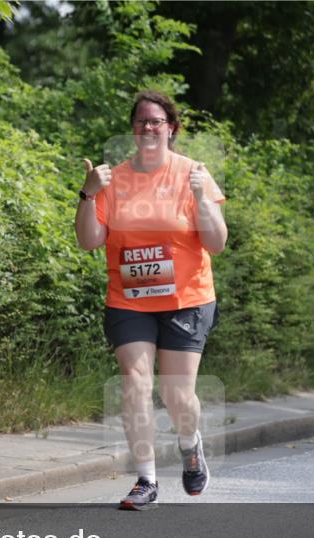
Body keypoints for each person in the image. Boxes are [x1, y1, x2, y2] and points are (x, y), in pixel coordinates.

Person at [74, 90, 227, 509]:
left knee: (178, 396)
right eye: (141, 121)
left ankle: (189, 442)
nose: (148, 128)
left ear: (171, 128)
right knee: (135, 384)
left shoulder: (194, 173)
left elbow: (217, 243)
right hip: (130, 298)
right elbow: (89, 241)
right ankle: (146, 480)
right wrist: (87, 194)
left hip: (187, 297)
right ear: (133, 128)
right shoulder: (113, 180)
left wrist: (199, 199)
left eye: (156, 121)